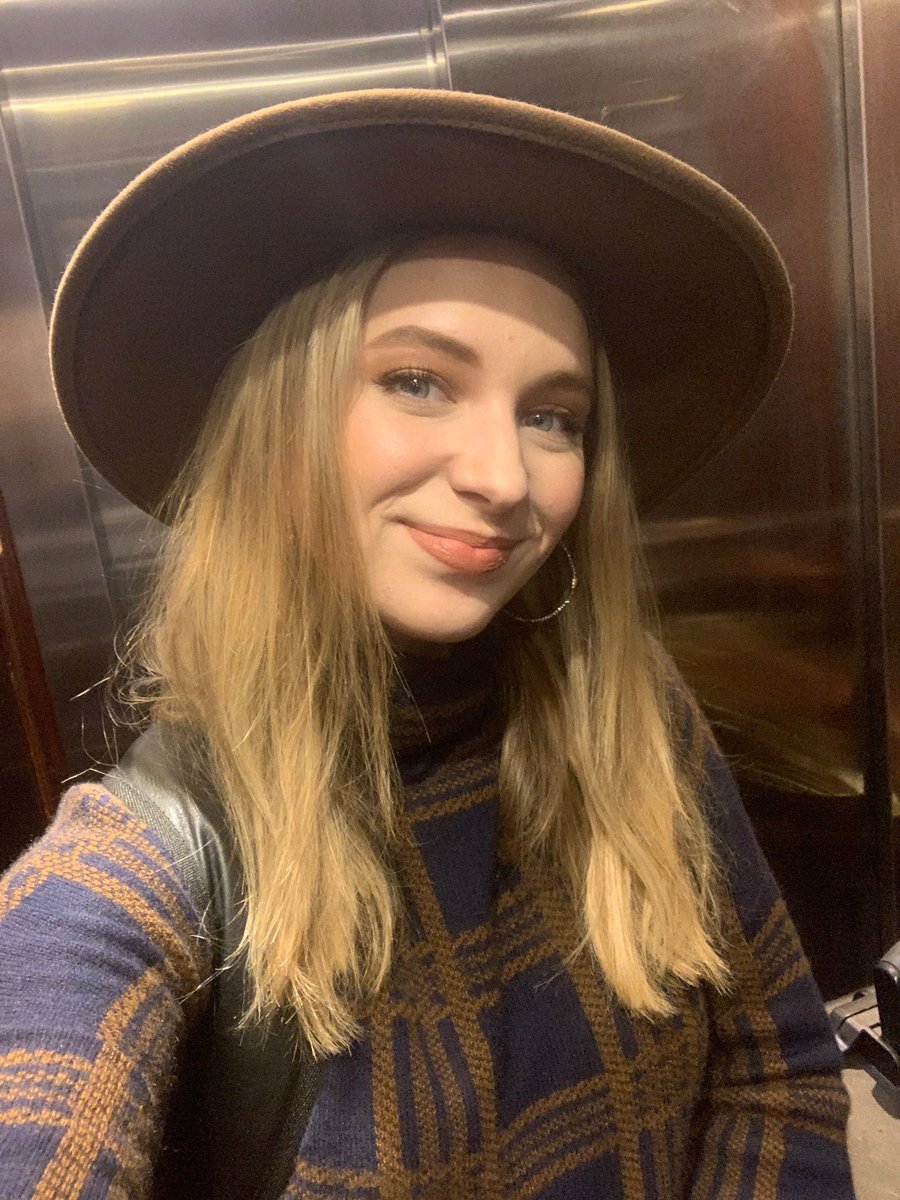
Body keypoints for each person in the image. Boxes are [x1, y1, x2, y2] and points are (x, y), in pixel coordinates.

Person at [0, 89, 854, 1198]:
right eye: (417, 380)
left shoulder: (632, 716)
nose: (504, 479)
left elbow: (778, 1072)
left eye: (553, 416)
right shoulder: (141, 866)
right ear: (279, 420)